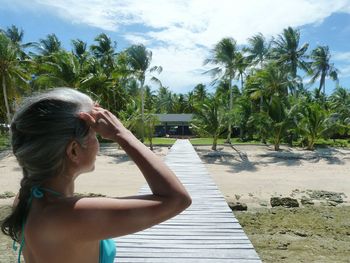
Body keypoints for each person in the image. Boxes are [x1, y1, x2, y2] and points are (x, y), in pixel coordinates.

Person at [1, 88, 192, 263]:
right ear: (74, 151)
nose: (98, 142)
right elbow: (177, 199)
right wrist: (122, 134)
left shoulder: (26, 198)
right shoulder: (72, 215)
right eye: (95, 134)